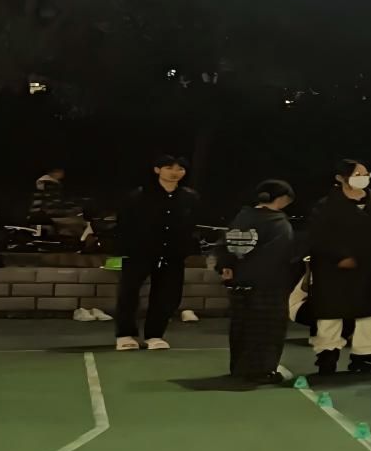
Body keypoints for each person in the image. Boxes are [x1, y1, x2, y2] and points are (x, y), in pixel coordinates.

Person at [308, 159, 371, 376]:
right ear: (340, 178)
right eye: (357, 174)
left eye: (365, 173)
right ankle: (327, 350)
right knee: (331, 311)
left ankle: (366, 352)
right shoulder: (326, 205)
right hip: (336, 268)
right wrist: (339, 256)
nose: (363, 178)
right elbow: (318, 235)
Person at [115, 155, 201, 351]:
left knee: (167, 296)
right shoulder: (139, 195)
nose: (175, 172)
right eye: (169, 167)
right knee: (129, 294)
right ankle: (125, 334)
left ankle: (155, 335)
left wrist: (187, 247)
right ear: (157, 170)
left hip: (173, 254)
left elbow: (192, 225)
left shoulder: (190, 197)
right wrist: (123, 250)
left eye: (180, 169)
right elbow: (124, 224)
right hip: (139, 252)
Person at [215, 180, 296, 383]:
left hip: (239, 282)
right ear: (282, 198)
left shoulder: (242, 217)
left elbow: (225, 246)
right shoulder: (277, 222)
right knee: (267, 327)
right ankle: (262, 371)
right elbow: (280, 253)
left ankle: (239, 367)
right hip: (268, 284)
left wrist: (226, 267)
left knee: (242, 327)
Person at [28, 166, 89, 242]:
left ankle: (68, 240)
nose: (63, 173)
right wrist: (73, 209)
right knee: (78, 221)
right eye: (61, 170)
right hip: (45, 215)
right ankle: (72, 242)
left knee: (75, 220)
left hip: (41, 214)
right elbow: (51, 206)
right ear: (55, 172)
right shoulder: (49, 183)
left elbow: (55, 202)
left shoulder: (46, 183)